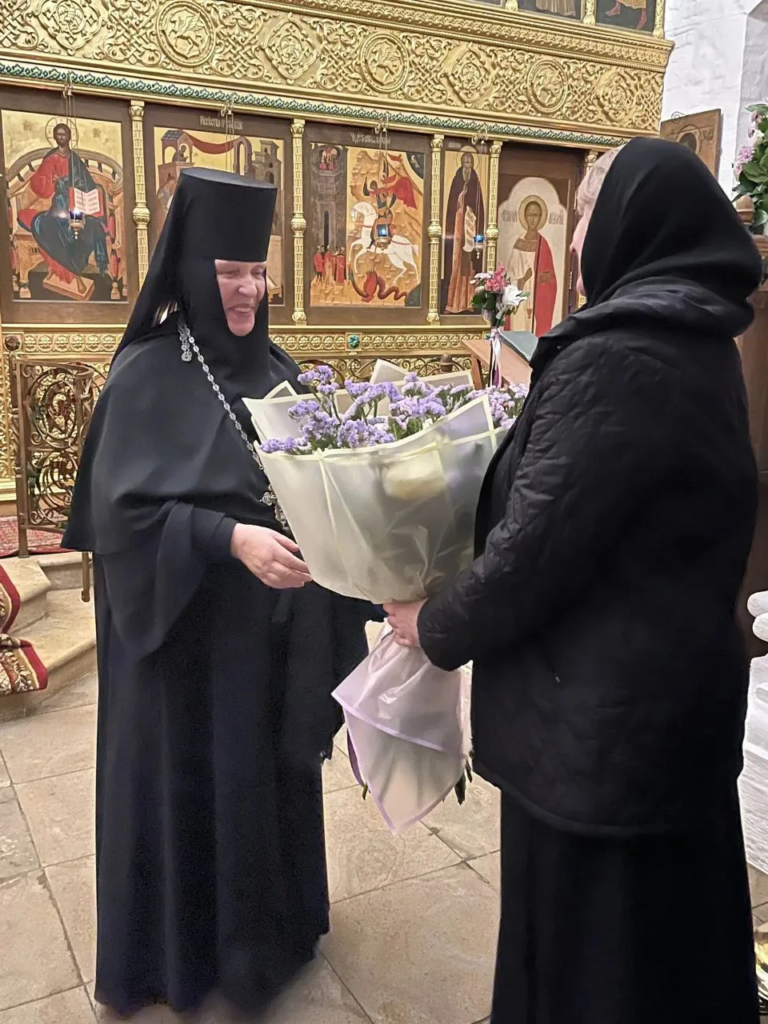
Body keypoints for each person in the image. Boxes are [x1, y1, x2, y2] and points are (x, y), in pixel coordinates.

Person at [385, 138, 762, 1023]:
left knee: (593, 953)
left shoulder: (617, 355)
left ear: (632, 220)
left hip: (598, 729)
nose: (577, 232)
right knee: (662, 945)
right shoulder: (700, 338)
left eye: (586, 210)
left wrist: (430, 625)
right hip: (665, 713)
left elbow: (534, 551)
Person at [63, 167, 374, 1017]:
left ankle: (269, 941)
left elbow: (320, 484)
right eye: (229, 272)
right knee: (195, 789)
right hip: (183, 647)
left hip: (267, 639)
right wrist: (228, 538)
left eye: (257, 271)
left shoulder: (280, 370)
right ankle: (183, 958)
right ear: (194, 271)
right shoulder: (144, 375)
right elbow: (121, 519)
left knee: (259, 785)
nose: (246, 289)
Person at [18, 122, 110, 293]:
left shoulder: (75, 159)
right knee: (53, 228)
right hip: (60, 205)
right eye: (59, 134)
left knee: (92, 226)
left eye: (64, 134)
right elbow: (40, 184)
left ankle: (83, 267)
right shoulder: (51, 158)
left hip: (78, 203)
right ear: (54, 137)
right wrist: (54, 183)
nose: (62, 137)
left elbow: (88, 182)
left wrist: (82, 190)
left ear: (69, 136)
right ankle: (70, 270)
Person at [507, 198, 558, 335]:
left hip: (536, 299)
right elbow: (510, 274)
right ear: (525, 217)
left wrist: (539, 278)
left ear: (540, 218)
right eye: (530, 215)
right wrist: (521, 280)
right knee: (518, 328)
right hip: (519, 296)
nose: (532, 219)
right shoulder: (519, 243)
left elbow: (551, 279)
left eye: (536, 215)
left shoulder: (543, 245)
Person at [444, 151, 486, 314]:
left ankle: (469, 302)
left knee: (469, 266)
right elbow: (451, 206)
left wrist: (471, 215)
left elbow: (479, 208)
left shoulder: (475, 181)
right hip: (457, 230)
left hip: (470, 229)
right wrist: (461, 200)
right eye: (465, 163)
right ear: (461, 164)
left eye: (469, 163)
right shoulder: (456, 180)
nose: (467, 166)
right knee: (456, 264)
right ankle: (453, 303)